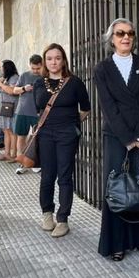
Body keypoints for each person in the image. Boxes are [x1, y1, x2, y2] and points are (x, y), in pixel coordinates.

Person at [94, 18, 139, 262]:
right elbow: (108, 107)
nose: (126, 37)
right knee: (119, 188)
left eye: (130, 33)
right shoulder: (102, 68)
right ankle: (117, 243)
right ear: (111, 39)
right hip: (116, 137)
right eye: (120, 33)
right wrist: (126, 138)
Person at [34, 43, 90, 238]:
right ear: (45, 61)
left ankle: (63, 218)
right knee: (47, 175)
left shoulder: (74, 83)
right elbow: (38, 108)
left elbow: (85, 108)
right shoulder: (39, 83)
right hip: (46, 134)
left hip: (67, 134)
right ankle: (47, 213)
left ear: (64, 60)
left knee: (64, 176)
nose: (53, 62)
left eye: (57, 58)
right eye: (49, 58)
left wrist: (71, 124)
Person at [12, 54, 43, 174]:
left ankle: (35, 162)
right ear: (29, 65)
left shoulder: (44, 76)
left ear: (41, 65)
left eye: (38, 68)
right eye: (33, 68)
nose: (35, 71)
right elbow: (15, 90)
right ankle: (22, 162)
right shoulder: (24, 75)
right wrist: (24, 88)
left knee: (38, 138)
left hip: (38, 112)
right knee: (21, 137)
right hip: (22, 111)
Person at [0, 60, 19, 162]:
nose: (1, 69)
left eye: (3, 67)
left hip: (11, 106)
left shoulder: (15, 78)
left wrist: (1, 85)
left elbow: (11, 91)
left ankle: (13, 155)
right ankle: (6, 153)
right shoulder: (4, 78)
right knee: (5, 130)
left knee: (11, 130)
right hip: (3, 107)